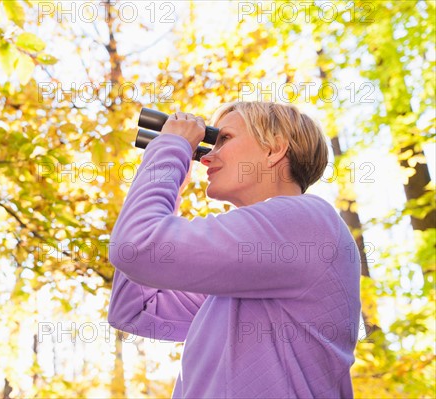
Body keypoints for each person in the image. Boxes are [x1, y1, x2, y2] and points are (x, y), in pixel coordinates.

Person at [107, 101, 361, 398]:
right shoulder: (244, 277)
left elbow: (136, 246)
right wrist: (169, 183)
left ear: (274, 150)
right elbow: (134, 309)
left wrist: (170, 150)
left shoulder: (309, 221)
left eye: (222, 139)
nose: (206, 159)